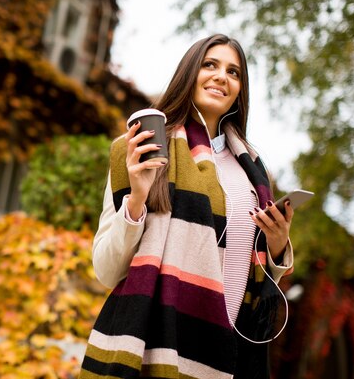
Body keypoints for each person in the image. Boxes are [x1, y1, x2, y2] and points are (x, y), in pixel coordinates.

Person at [79, 34, 294, 379]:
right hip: (156, 346)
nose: (222, 76)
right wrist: (136, 198)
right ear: (189, 72)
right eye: (210, 64)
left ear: (241, 90)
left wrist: (278, 244)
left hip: (231, 354)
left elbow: (253, 275)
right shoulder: (140, 150)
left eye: (234, 72)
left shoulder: (254, 172)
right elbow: (106, 269)